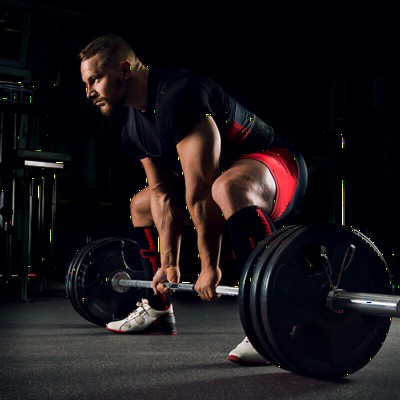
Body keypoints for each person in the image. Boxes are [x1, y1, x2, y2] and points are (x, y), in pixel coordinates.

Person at [79, 34, 307, 365]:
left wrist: (209, 267)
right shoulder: (131, 125)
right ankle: (158, 308)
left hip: (278, 166)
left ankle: (274, 321)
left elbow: (200, 191)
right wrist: (169, 265)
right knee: (140, 205)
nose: (89, 91)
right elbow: (163, 193)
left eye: (94, 79)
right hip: (225, 181)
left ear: (125, 69)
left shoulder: (179, 95)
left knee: (224, 188)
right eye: (86, 83)